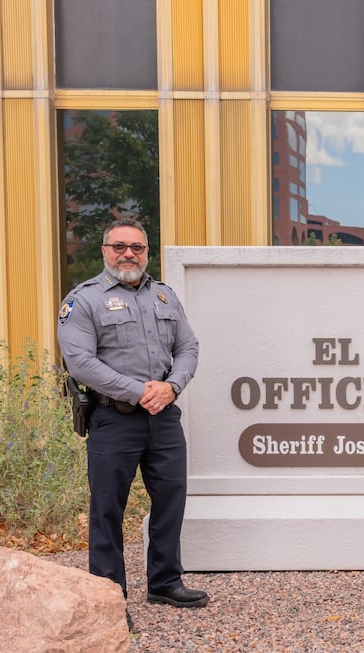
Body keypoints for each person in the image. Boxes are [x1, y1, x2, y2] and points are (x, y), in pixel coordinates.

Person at [57, 218, 209, 615]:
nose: (129, 254)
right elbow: (80, 363)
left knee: (171, 499)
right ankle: (108, 597)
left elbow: (189, 346)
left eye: (137, 248)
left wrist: (172, 386)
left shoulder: (163, 297)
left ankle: (164, 582)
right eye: (120, 246)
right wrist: (138, 391)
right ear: (105, 251)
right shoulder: (83, 300)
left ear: (146, 252)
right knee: (108, 508)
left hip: (163, 416)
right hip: (113, 418)